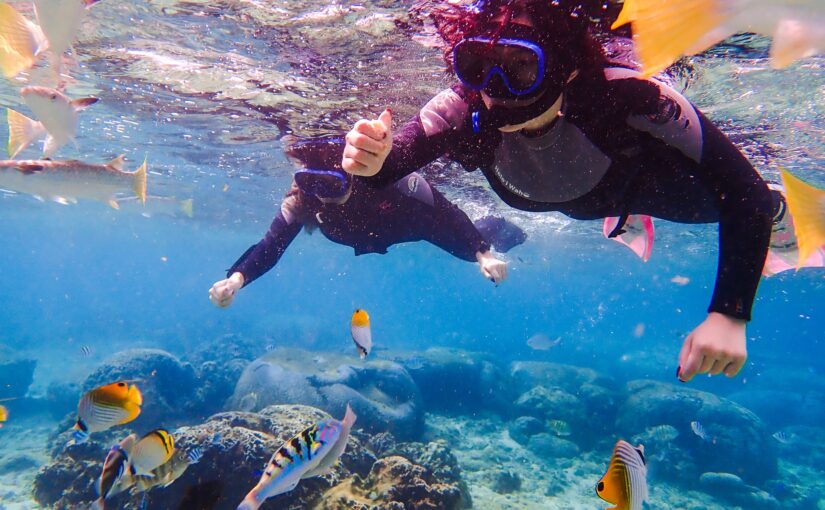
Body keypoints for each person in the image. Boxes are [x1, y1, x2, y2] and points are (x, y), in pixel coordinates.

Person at [285, 0, 825, 383]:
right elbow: (386, 172)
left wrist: (728, 315)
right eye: (477, 65)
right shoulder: (463, 110)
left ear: (564, 68)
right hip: (583, 198)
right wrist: (370, 157)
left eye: (521, 67)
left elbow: (742, 194)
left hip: (647, 183)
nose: (494, 90)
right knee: (589, 204)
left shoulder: (632, 97)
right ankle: (623, 219)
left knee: (731, 206)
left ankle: (785, 213)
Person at [209, 141, 523, 308]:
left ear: (352, 176)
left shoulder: (394, 179)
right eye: (312, 185)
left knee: (475, 251)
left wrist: (484, 253)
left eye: (330, 185)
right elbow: (270, 246)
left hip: (417, 225)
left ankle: (502, 228)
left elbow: (448, 212)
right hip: (372, 235)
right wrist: (237, 280)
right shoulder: (303, 200)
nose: (322, 195)